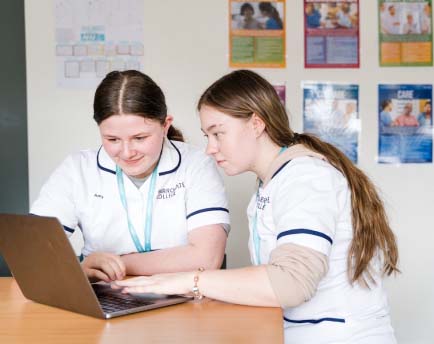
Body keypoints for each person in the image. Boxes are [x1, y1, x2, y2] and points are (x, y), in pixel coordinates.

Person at [116, 70, 399, 344]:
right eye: (207, 136)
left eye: (218, 133)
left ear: (256, 124)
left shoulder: (304, 177)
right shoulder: (274, 181)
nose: (210, 148)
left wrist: (190, 281)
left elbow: (290, 283)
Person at [31, 70, 230, 282]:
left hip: (182, 298)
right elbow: (32, 253)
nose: (126, 153)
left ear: (165, 125)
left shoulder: (196, 164)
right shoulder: (77, 169)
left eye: (139, 138)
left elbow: (207, 258)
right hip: (104, 296)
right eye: (113, 139)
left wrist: (114, 264)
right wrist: (82, 268)